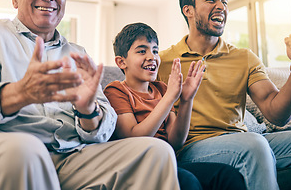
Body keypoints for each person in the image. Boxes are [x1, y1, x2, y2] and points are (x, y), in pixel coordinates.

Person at [0, 0, 181, 190]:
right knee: (25, 149)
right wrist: (20, 93)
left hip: (68, 157)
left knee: (155, 153)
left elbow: (106, 128)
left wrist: (88, 111)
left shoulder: (77, 53)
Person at [157, 0, 291, 190]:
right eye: (211, 0)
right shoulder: (162, 62)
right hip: (193, 148)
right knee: (254, 145)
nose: (221, 7)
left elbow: (277, 114)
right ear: (188, 11)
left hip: (243, 140)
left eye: (224, 2)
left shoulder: (244, 57)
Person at [104, 22, 247, 190]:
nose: (152, 56)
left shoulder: (161, 89)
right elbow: (134, 138)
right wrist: (170, 98)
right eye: (142, 51)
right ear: (121, 62)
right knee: (188, 182)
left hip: (168, 160)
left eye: (155, 50)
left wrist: (186, 99)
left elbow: (176, 141)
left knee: (227, 176)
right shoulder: (116, 90)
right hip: (139, 166)